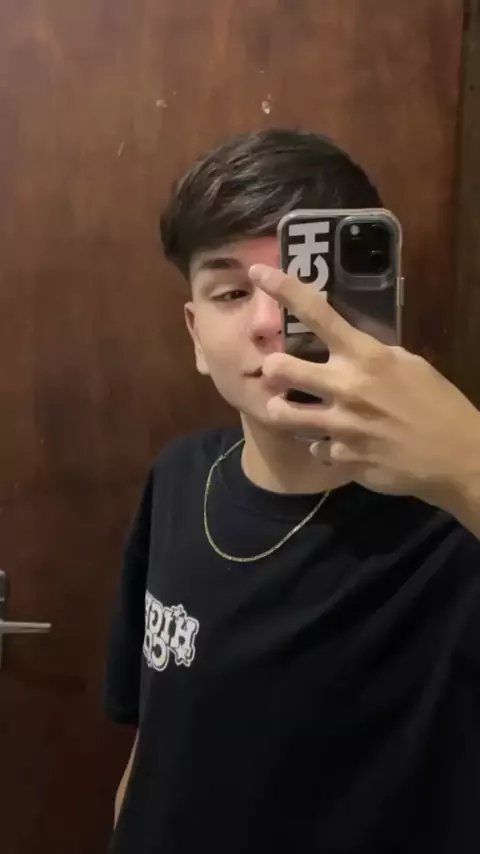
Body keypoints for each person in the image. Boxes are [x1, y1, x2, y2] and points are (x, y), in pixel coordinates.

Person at [104, 128, 480, 854]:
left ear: (377, 304)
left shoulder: (453, 528)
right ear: (195, 334)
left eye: (305, 285)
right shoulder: (179, 477)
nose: (270, 321)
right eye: (231, 291)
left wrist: (470, 460)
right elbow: (155, 743)